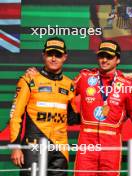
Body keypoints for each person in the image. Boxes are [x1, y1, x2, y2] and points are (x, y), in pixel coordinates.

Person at [9, 37, 79, 176]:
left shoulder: (70, 85)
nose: (54, 59)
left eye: (58, 55)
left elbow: (71, 118)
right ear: (43, 55)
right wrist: (16, 147)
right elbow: (15, 115)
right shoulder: (29, 80)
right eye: (50, 54)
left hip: (60, 148)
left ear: (64, 57)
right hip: (33, 146)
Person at [73, 40, 132, 176]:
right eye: (101, 56)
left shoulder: (126, 84)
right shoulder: (85, 77)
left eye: (109, 57)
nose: (104, 60)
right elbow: (62, 90)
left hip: (111, 145)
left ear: (118, 59)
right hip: (87, 143)